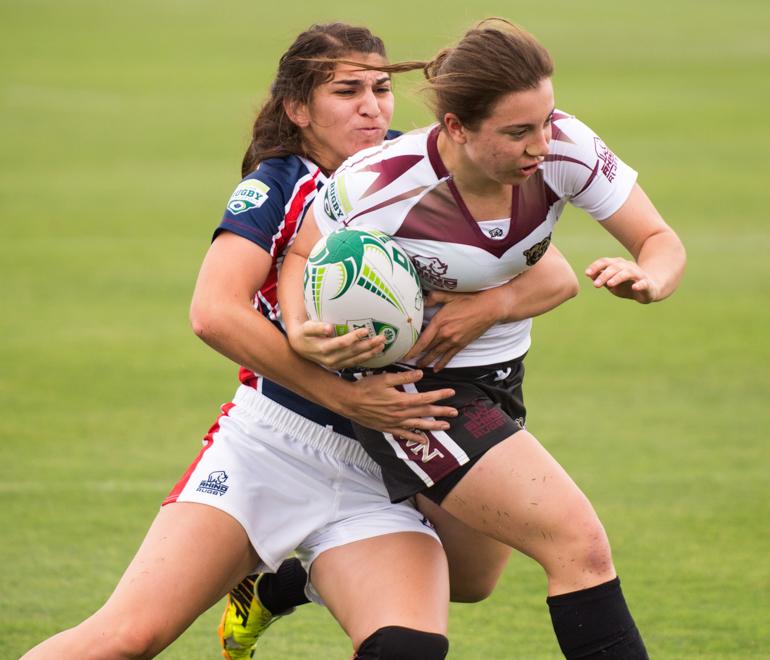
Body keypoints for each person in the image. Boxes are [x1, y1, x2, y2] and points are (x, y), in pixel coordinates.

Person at [22, 23, 579, 660]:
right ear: (297, 108)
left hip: (381, 463)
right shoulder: (280, 184)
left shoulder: (418, 172)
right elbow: (213, 313)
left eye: (380, 88)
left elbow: (553, 274)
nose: (372, 106)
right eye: (347, 91)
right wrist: (346, 399)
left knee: (441, 615)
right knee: (126, 638)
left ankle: (285, 586)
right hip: (273, 448)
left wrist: (486, 307)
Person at [280, 19, 686, 660]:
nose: (541, 144)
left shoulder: (565, 150)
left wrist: (650, 278)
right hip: (420, 391)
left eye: (547, 120)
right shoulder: (381, 181)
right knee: (577, 545)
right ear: (457, 128)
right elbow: (303, 255)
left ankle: (286, 588)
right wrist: (304, 332)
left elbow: (659, 241)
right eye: (518, 131)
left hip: (503, 378)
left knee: (471, 581)